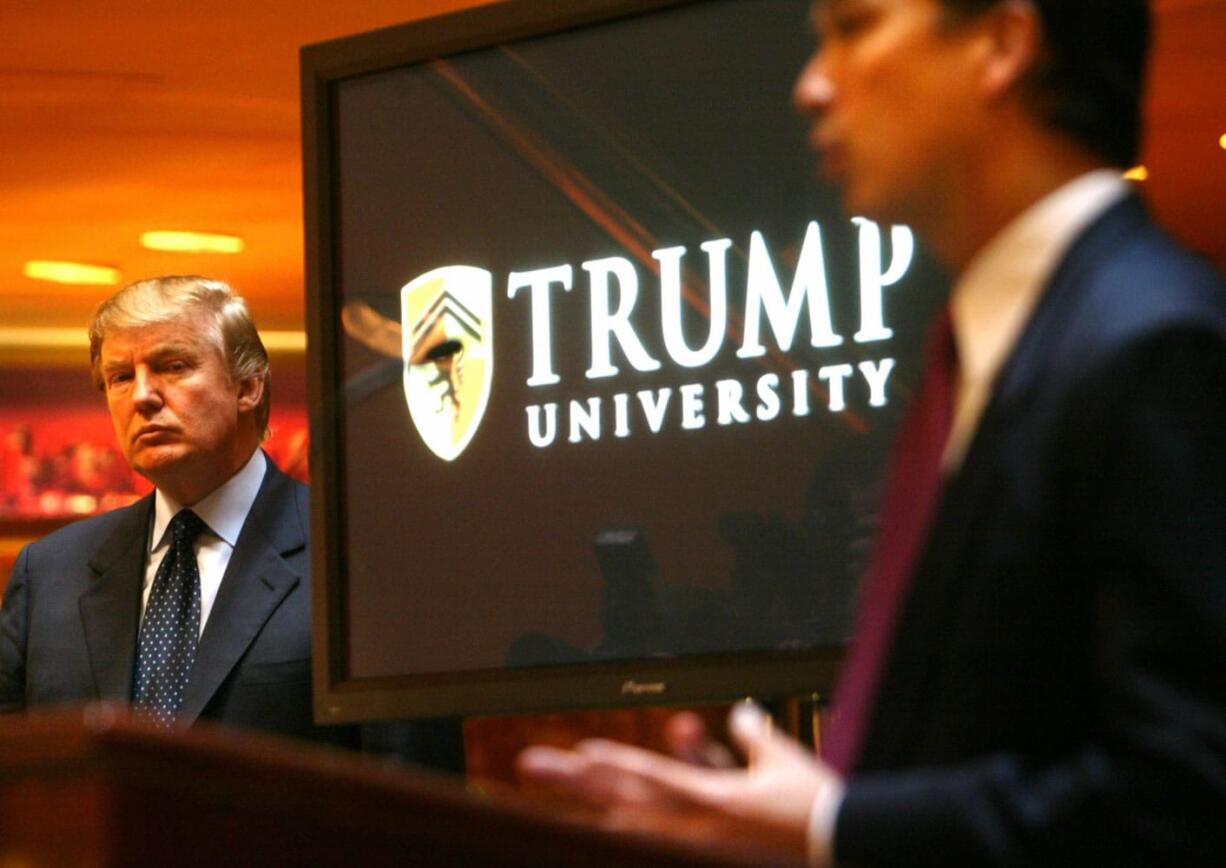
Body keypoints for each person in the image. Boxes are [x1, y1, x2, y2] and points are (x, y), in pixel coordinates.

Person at [517, 1, 1226, 865]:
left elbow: (1186, 798)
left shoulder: (1153, 343)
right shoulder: (985, 350)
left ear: (1002, 43)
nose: (811, 86)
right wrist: (803, 822)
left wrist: (835, 828)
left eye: (854, 29)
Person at [0, 275, 353, 745]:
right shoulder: (49, 573)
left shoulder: (350, 553)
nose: (142, 396)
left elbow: (414, 785)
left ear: (247, 386)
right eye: (120, 377)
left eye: (173, 366)